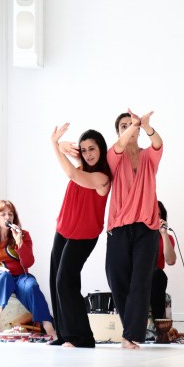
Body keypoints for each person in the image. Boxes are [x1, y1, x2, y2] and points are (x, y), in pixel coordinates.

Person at [105, 109, 163, 349]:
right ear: (118, 132)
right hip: (119, 227)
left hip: (146, 227)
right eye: (123, 126)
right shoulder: (113, 157)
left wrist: (146, 126)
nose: (129, 128)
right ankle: (129, 331)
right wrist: (134, 125)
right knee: (117, 279)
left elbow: (158, 144)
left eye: (132, 125)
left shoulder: (148, 156)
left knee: (141, 281)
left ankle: (130, 336)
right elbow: (120, 145)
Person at [50, 124, 111, 348]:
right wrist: (62, 147)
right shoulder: (83, 167)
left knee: (65, 281)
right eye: (84, 150)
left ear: (101, 149)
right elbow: (74, 163)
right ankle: (64, 334)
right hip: (63, 230)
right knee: (56, 280)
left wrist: (54, 144)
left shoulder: (102, 178)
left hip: (83, 235)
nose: (88, 154)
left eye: (92, 148)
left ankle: (82, 337)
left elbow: (72, 174)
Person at [0, 200, 57, 339]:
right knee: (4, 277)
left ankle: (49, 328)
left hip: (20, 277)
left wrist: (19, 242)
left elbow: (28, 262)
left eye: (10, 214)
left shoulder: (24, 235)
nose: (8, 217)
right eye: (3, 214)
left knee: (31, 286)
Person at [150, 200, 176, 321]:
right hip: (137, 277)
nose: (156, 217)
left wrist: (164, 234)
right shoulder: (137, 236)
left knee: (158, 274)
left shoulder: (167, 238)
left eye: (159, 215)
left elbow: (170, 261)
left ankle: (158, 323)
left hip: (155, 279)